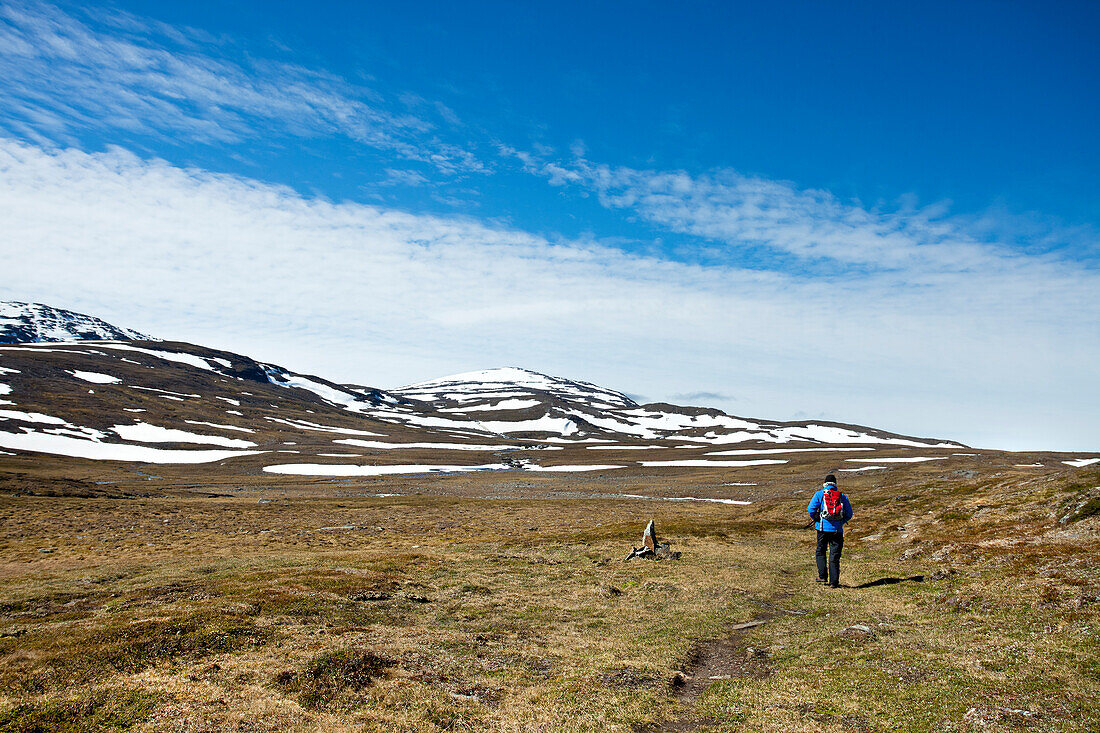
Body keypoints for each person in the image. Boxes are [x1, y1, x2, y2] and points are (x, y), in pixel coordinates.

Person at [807, 474, 853, 588]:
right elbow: (849, 514)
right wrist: (841, 522)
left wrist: (816, 518)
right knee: (834, 555)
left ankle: (822, 576)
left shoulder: (820, 494)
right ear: (835, 484)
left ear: (825, 483)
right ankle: (834, 582)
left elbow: (810, 509)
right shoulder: (842, 496)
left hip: (822, 528)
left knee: (821, 551)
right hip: (837, 530)